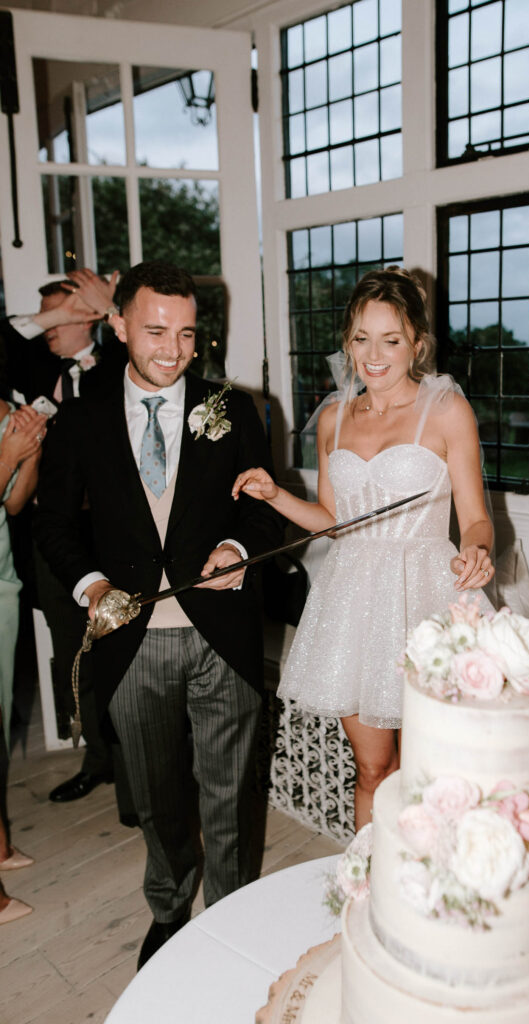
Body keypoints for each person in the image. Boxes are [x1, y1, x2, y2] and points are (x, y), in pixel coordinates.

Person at [34, 260, 282, 968]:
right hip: (131, 643)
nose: (173, 350)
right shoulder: (79, 422)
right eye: (154, 330)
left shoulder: (233, 408)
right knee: (157, 795)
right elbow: (54, 526)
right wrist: (89, 585)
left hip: (222, 640)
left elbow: (262, 510)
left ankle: (232, 919)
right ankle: (171, 911)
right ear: (116, 325)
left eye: (186, 334)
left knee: (230, 797)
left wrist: (236, 545)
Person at [233, 267, 495, 830]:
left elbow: (474, 518)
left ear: (416, 344)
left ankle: (427, 894)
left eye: (391, 339)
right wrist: (274, 493)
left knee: (429, 774)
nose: (373, 355)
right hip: (352, 602)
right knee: (373, 769)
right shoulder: (333, 417)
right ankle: (368, 890)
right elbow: (331, 523)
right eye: (361, 338)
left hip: (426, 597)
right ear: (347, 342)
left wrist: (477, 549)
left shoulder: (447, 410)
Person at [1, 268, 126, 802]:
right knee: (71, 655)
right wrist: (54, 313)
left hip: (114, 539)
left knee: (122, 652)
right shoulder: (30, 367)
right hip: (51, 541)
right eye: (51, 315)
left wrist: (113, 304)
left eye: (69, 314)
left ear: (94, 319)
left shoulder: (119, 367)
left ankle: (135, 763)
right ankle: (97, 758)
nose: (55, 326)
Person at [0, 399, 47, 924]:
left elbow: (14, 505)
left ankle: (1, 847)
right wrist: (9, 451)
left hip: (1, 582)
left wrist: (29, 451)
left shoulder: (11, 411)